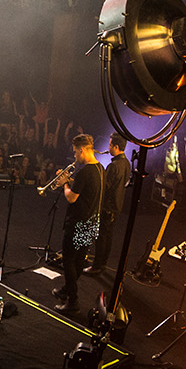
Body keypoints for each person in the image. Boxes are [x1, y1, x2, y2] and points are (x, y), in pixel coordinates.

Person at [52, 134, 103, 314]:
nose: (74, 156)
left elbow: (72, 197)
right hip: (91, 223)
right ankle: (66, 289)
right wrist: (71, 181)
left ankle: (72, 301)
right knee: (80, 261)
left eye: (75, 153)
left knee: (69, 262)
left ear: (82, 150)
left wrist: (65, 183)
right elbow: (85, 188)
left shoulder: (84, 172)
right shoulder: (99, 169)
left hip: (77, 223)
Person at [86, 133, 129, 276]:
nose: (108, 148)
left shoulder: (114, 166)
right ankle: (102, 264)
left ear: (116, 147)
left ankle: (97, 266)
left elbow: (105, 187)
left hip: (107, 207)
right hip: (117, 207)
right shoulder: (126, 163)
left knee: (101, 238)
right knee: (108, 237)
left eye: (110, 145)